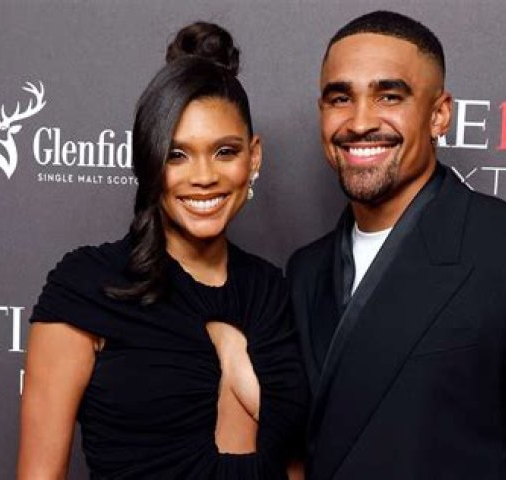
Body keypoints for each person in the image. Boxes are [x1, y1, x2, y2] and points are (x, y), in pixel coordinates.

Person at [287, 10, 506, 479]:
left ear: (439, 114)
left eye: (389, 96)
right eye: (340, 98)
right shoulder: (305, 271)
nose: (359, 122)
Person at [18, 22, 307, 479]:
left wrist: (232, 352)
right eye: (177, 155)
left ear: (253, 157)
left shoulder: (272, 290)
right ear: (149, 161)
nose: (203, 176)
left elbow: (293, 463)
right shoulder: (89, 286)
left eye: (225, 152)